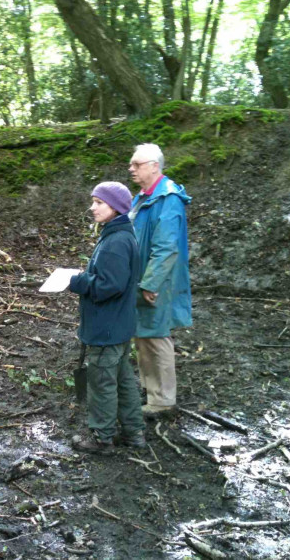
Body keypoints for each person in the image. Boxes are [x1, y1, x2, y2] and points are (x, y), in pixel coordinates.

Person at [68, 182, 145, 454]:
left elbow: (109, 286)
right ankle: (134, 434)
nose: (93, 207)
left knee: (102, 383)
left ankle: (102, 439)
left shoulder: (115, 241)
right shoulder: (123, 233)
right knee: (124, 381)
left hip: (107, 327)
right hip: (120, 325)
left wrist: (75, 281)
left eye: (99, 203)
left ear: (115, 207)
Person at [127, 143, 192, 418]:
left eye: (136, 164)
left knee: (156, 336)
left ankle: (163, 400)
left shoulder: (168, 199)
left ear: (154, 166)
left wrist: (150, 283)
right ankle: (150, 389)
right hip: (141, 277)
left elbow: (166, 247)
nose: (131, 168)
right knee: (143, 335)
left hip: (157, 280)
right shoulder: (143, 196)